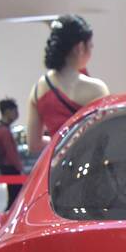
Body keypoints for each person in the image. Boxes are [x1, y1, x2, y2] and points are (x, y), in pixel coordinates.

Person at [26, 14, 109, 153]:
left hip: (58, 171)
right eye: (91, 46)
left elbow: (34, 145)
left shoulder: (38, 89)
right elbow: (103, 138)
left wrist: (59, 141)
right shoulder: (97, 89)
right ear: (80, 47)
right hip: (88, 169)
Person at [0, 98, 26, 209]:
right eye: (15, 111)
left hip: (7, 168)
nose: (17, 114)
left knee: (13, 198)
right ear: (7, 111)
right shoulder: (3, 131)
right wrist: (20, 168)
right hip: (11, 168)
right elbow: (11, 153)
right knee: (14, 199)